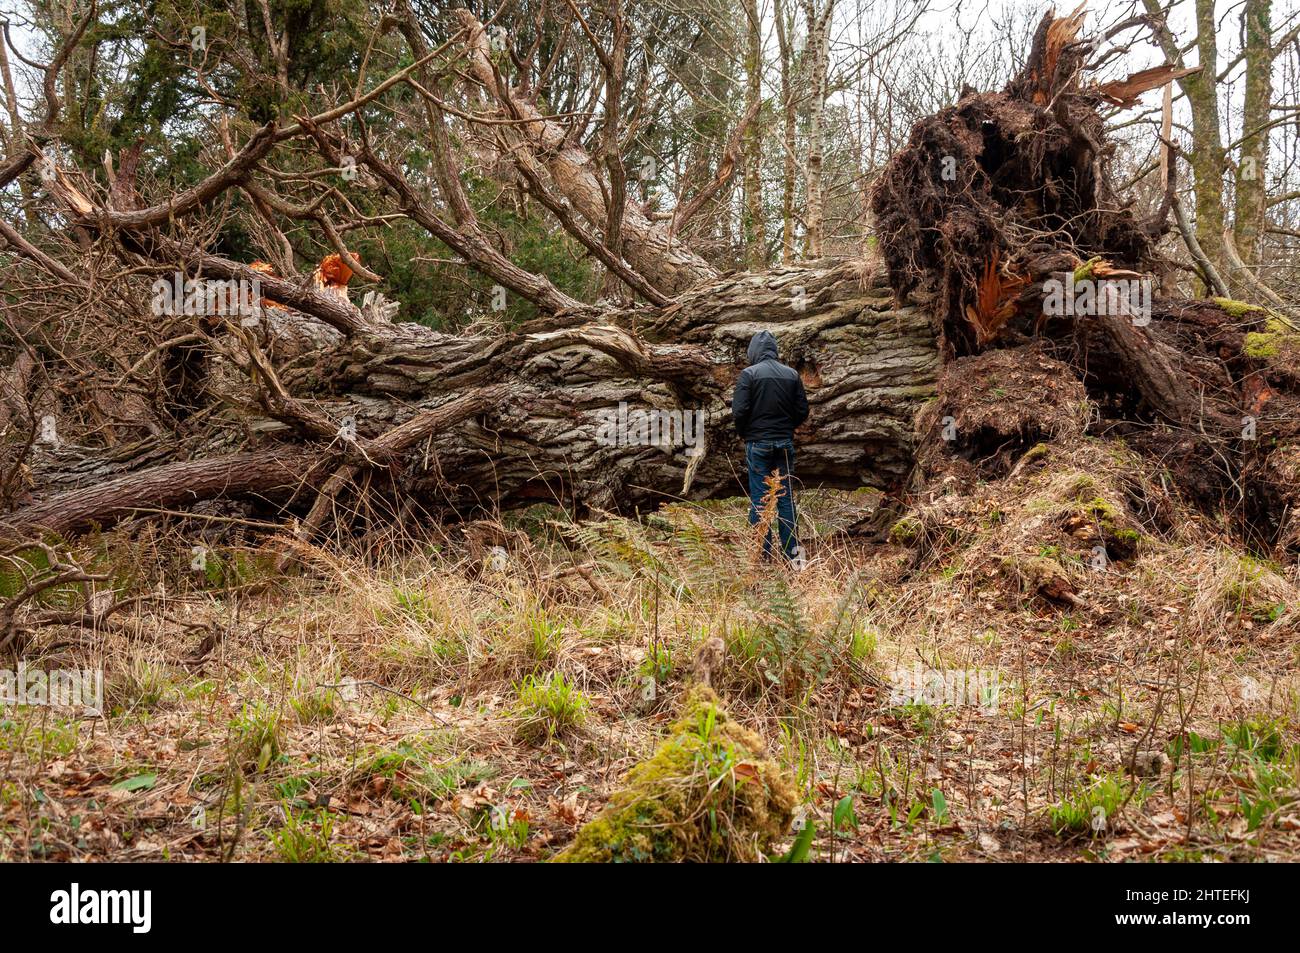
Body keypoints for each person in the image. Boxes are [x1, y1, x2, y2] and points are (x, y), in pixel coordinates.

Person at [731, 330, 808, 563]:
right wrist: (786, 428)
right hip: (784, 444)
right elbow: (802, 411)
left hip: (758, 444)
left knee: (760, 500)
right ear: (774, 350)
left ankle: (762, 558)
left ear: (753, 352)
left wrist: (747, 433)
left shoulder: (749, 374)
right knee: (786, 501)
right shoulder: (792, 375)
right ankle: (795, 560)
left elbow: (739, 411)